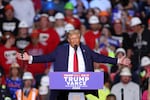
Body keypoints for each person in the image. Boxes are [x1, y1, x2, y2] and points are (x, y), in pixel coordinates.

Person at [17, 29, 130, 100]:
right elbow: (48, 57)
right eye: (72, 38)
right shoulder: (61, 50)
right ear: (68, 40)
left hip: (84, 83)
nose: (75, 40)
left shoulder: (85, 49)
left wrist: (118, 61)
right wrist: (30, 58)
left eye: (77, 38)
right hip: (64, 84)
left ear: (80, 39)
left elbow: (98, 57)